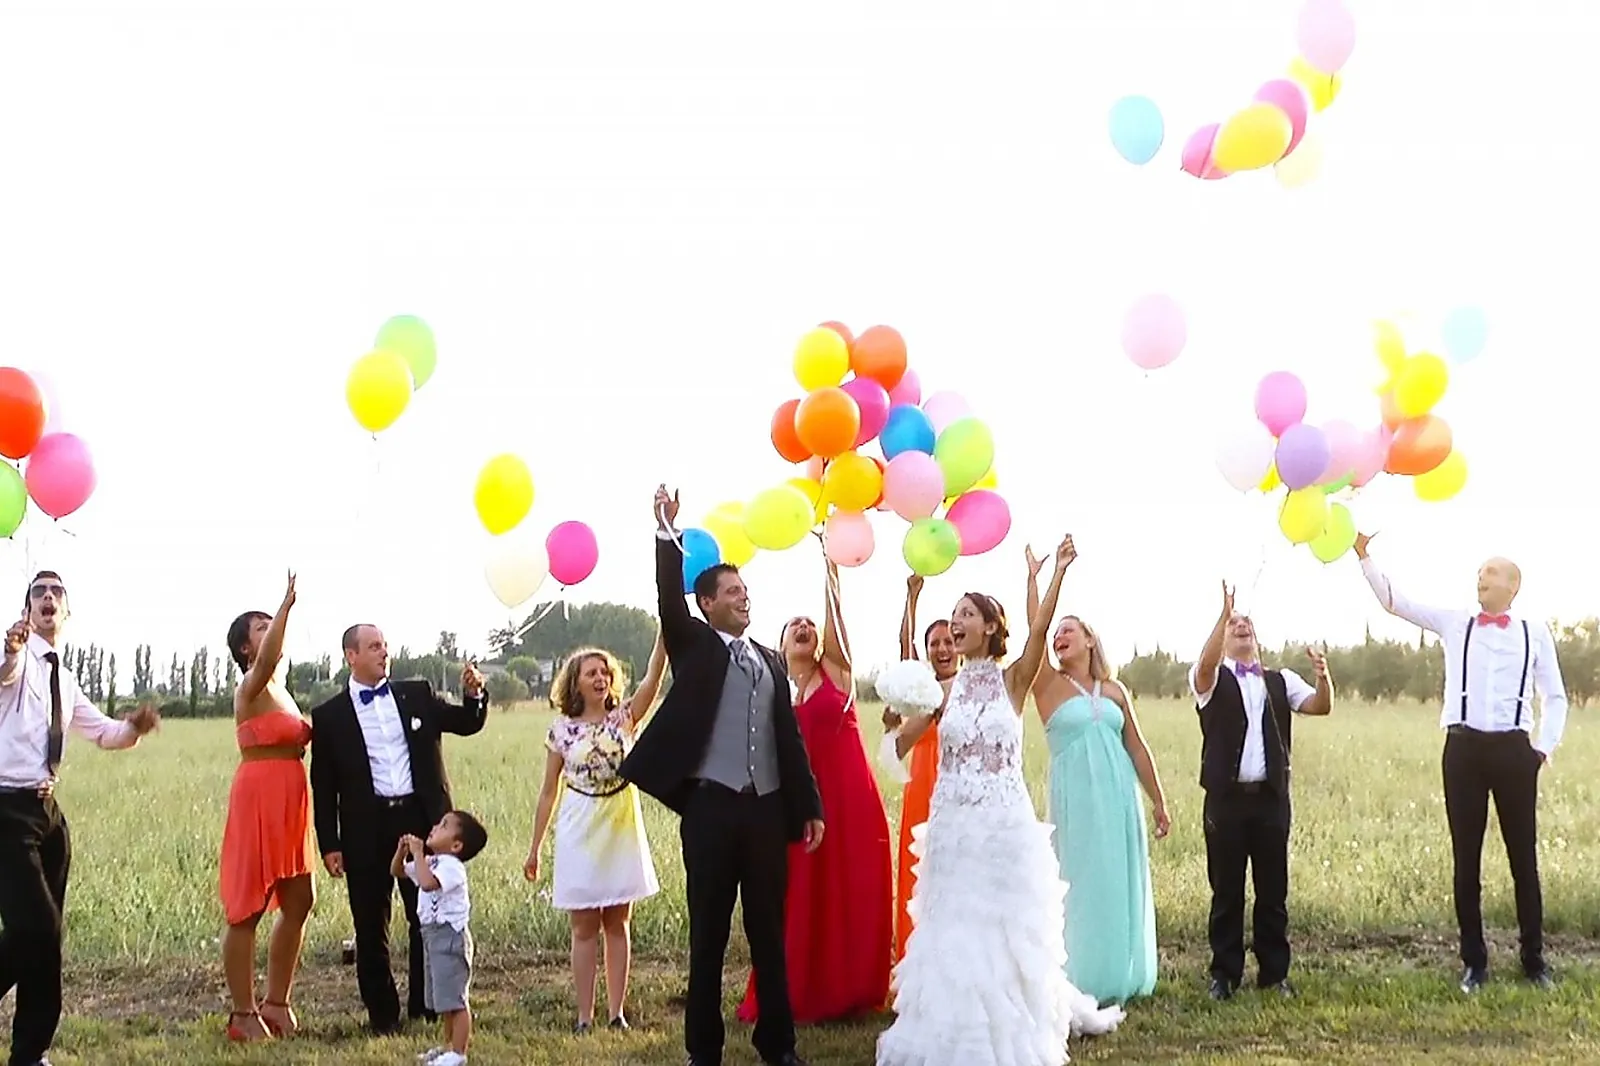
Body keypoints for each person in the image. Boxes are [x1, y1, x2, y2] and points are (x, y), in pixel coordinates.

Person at [877, 537, 1124, 1066]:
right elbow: (901, 740)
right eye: (953, 616)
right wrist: (894, 728)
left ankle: (1018, 1019)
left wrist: (1053, 572)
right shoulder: (945, 692)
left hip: (1003, 825)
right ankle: (951, 1024)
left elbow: (1037, 630)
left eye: (966, 614)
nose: (955, 623)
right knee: (956, 927)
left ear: (989, 626)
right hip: (953, 827)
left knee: (1005, 929)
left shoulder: (1014, 681)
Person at [619, 485, 822, 1066]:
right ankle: (702, 1052)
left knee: (768, 936)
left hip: (765, 810)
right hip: (710, 810)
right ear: (707, 604)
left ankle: (778, 1048)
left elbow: (790, 739)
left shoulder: (770, 658)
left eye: (745, 590)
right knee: (706, 939)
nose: (743, 597)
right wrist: (666, 531)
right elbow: (666, 598)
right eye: (732, 591)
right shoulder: (695, 645)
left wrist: (808, 805)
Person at [1354, 532, 1566, 992]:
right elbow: (1396, 603)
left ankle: (1535, 961)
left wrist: (1542, 749)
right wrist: (1364, 555)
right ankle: (1474, 963)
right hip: (1463, 751)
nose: (1481, 578)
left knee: (1523, 859)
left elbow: (1556, 696)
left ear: (1514, 585)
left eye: (1491, 573)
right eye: (1479, 573)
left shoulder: (1535, 632)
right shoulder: (1456, 621)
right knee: (1465, 859)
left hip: (1514, 752)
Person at [0, 570, 159, 1066]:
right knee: (36, 928)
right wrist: (10, 648)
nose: (48, 598)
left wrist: (133, 726)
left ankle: (30, 1054)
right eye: (38, 593)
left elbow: (105, 733)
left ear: (66, 612)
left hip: (48, 817)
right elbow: (3, 671)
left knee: (47, 939)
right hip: (6, 810)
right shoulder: (16, 658)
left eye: (56, 593)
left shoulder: (63, 679)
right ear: (27, 611)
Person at [737, 546, 892, 1025]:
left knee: (846, 889)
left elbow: (837, 630)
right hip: (797, 803)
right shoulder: (771, 687)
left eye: (810, 625)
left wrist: (831, 575)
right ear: (780, 645)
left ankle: (848, 989)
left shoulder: (837, 676)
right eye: (793, 626)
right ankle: (798, 987)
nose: (804, 629)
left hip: (847, 800)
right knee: (799, 894)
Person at [309, 625, 489, 1035]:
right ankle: (382, 1014)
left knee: (424, 915)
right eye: (374, 647)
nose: (383, 653)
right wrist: (330, 843)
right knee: (370, 924)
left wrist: (474, 694)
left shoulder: (417, 694)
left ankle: (426, 1006)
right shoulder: (330, 716)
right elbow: (324, 787)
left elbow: (466, 722)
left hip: (420, 820)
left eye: (385, 647)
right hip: (365, 825)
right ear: (350, 656)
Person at [1025, 547, 1168, 1005]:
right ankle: (1080, 976)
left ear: (1090, 639)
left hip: (1118, 795)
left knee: (1117, 879)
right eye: (1058, 633)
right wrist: (1046, 576)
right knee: (1080, 881)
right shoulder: (1046, 685)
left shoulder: (1114, 690)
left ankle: (1120, 971)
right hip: (1076, 799)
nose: (1059, 637)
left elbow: (1137, 747)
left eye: (1070, 630)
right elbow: (1035, 629)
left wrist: (1158, 801)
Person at [1190, 583, 1332, 1001]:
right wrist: (1223, 613)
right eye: (1233, 624)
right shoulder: (1210, 679)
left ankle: (1274, 974)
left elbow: (1320, 707)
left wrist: (1324, 677)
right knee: (1226, 892)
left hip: (1271, 801)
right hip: (1225, 801)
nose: (1240, 626)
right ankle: (1225, 975)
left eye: (1245, 623)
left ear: (1257, 638)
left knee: (1273, 893)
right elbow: (1204, 665)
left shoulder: (1280, 680)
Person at [525, 634, 668, 1033]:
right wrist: (534, 848)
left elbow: (653, 681)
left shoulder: (624, 717)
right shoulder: (561, 731)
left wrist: (665, 634)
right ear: (576, 682)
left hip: (621, 823)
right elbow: (549, 790)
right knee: (584, 926)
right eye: (592, 672)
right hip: (580, 826)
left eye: (605, 671)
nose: (601, 677)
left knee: (618, 922)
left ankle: (616, 1012)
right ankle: (585, 1016)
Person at [219, 571, 316, 1041]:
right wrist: (286, 606)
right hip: (259, 796)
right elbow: (271, 654)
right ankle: (242, 1015)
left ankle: (276, 1002)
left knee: (300, 899)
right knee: (248, 908)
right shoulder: (252, 687)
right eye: (259, 627)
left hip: (291, 799)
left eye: (269, 622)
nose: (270, 629)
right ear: (244, 648)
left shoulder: (284, 691)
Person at [880, 574, 957, 965]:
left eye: (948, 641)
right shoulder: (921, 690)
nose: (942, 648)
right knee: (918, 874)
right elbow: (904, 648)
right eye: (935, 643)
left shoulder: (966, 686)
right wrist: (911, 596)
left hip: (958, 788)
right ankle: (915, 960)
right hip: (921, 789)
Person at [395, 810, 489, 1066]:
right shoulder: (433, 862)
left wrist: (417, 854)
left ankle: (459, 1053)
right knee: (444, 999)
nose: (435, 826)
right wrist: (403, 851)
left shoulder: (452, 868)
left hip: (450, 937)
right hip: (432, 936)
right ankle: (447, 1047)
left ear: (456, 845)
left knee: (456, 999)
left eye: (444, 825)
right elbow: (398, 872)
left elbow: (426, 884)